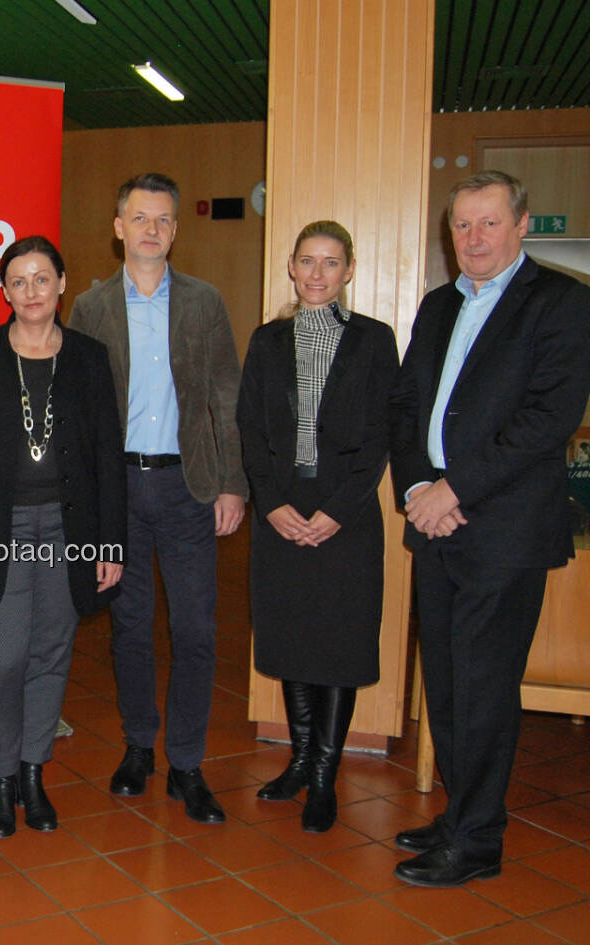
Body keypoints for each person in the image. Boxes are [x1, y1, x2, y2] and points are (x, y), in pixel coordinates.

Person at [389, 170, 590, 887]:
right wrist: (417, 485)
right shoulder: (440, 304)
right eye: (463, 226)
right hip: (435, 523)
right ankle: (458, 813)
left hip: (502, 529)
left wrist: (453, 488)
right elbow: (406, 405)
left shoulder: (564, 303)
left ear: (523, 224)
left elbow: (547, 420)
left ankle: (479, 839)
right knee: (444, 684)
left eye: (490, 223)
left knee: (484, 687)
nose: (474, 238)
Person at [67, 173, 247, 823]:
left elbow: (226, 395)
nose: (152, 229)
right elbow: (82, 415)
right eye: (140, 218)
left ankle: (188, 762)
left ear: (175, 229)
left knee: (197, 628)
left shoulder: (205, 302)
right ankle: (139, 745)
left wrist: (233, 482)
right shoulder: (90, 309)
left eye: (164, 219)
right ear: (119, 227)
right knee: (130, 627)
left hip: (188, 487)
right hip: (119, 489)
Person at [0, 236, 126, 838]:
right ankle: (1, 778)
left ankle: (34, 773)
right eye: (19, 281)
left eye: (42, 279)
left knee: (52, 654)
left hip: (68, 526)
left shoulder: (88, 356)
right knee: (3, 657)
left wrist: (111, 544)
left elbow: (108, 454)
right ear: (5, 291)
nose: (31, 291)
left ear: (62, 284)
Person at [236, 221, 399, 832]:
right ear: (291, 266)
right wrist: (271, 502)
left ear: (349, 271)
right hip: (280, 509)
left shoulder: (374, 341)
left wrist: (336, 511)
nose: (317, 274)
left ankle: (326, 776)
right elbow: (249, 428)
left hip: (346, 513)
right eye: (307, 261)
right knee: (291, 638)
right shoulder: (268, 340)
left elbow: (383, 435)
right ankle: (300, 760)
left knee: (337, 642)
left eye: (331, 263)